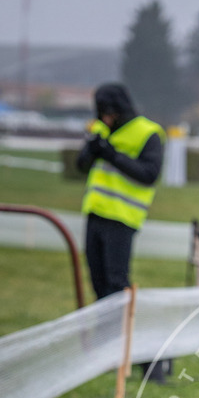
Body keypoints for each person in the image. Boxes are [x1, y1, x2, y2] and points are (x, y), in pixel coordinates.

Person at [76, 83, 169, 382]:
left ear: (117, 110)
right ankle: (109, 349)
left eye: (107, 113)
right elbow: (81, 166)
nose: (104, 119)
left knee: (118, 287)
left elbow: (149, 174)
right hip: (95, 215)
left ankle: (148, 355)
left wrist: (112, 154)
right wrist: (92, 150)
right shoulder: (100, 129)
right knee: (100, 286)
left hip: (122, 219)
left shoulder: (148, 133)